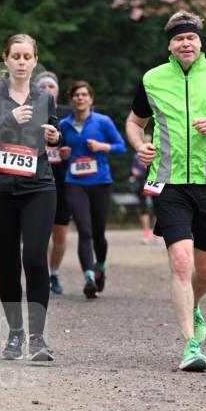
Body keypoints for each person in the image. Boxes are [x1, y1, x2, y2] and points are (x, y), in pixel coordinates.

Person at [125, 10, 206, 372]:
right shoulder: (153, 79)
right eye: (179, 38)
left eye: (191, 37)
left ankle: (193, 304)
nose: (186, 43)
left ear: (200, 42)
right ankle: (190, 345)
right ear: (170, 45)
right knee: (181, 261)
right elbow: (134, 122)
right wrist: (140, 144)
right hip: (169, 183)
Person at [0, 33, 60, 362]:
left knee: (34, 258)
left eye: (26, 56)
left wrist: (54, 135)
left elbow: (54, 131)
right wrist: (8, 118)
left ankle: (37, 338)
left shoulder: (43, 97)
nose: (21, 62)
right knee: (6, 265)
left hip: (38, 186)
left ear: (35, 61)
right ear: (5, 59)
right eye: (15, 56)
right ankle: (15, 332)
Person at [59, 81, 126, 298]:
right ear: (71, 100)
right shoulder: (63, 125)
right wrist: (63, 154)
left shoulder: (103, 122)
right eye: (76, 95)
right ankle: (88, 277)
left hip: (100, 183)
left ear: (91, 99)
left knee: (98, 233)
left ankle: (99, 267)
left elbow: (121, 147)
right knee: (84, 230)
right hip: (74, 183)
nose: (80, 98)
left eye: (84, 94)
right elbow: (57, 149)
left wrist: (102, 147)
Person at [34, 71, 72, 294]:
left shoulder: (68, 113)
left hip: (63, 179)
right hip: (37, 178)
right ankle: (42, 274)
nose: (47, 90)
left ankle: (54, 273)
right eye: (43, 86)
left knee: (60, 231)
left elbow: (81, 138)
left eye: (51, 86)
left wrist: (69, 152)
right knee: (40, 231)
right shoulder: (29, 111)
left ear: (57, 91)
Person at [129, 138, 157, 243]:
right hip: (141, 183)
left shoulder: (156, 154)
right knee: (143, 207)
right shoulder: (137, 155)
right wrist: (135, 171)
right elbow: (134, 168)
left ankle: (156, 233)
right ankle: (146, 232)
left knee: (157, 207)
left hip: (153, 182)